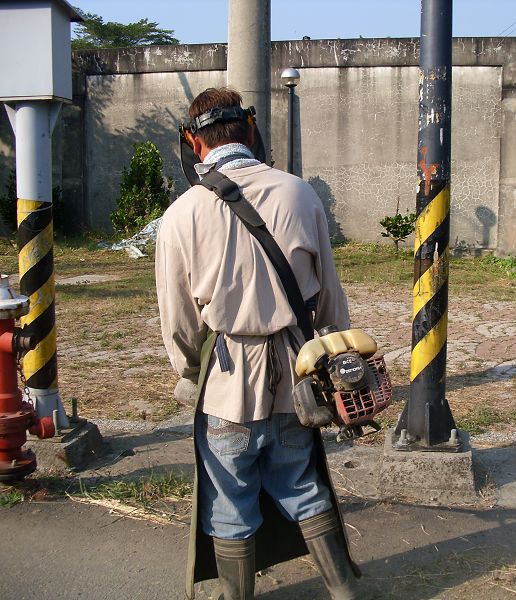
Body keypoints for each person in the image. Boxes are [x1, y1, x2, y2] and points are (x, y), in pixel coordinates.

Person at [155, 87, 364, 600]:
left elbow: (178, 319)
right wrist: (335, 358)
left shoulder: (182, 214)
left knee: (230, 498)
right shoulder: (299, 192)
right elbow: (330, 297)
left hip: (226, 381)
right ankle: (345, 592)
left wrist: (187, 372)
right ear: (250, 130)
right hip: (300, 373)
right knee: (303, 482)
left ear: (192, 141)